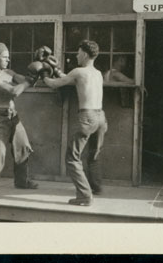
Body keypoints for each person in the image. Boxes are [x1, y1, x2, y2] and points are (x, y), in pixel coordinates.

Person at [43, 40, 107, 206]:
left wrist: (43, 72)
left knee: (72, 158)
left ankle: (85, 196)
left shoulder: (79, 71)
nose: (76, 55)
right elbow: (69, 79)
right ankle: (96, 187)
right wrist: (56, 69)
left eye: (78, 53)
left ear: (85, 54)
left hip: (87, 117)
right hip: (101, 118)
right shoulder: (97, 73)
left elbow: (54, 84)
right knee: (93, 155)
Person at [0, 43, 38, 200]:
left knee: (23, 147)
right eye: (5, 57)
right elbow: (13, 91)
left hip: (13, 116)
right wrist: (29, 81)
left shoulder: (8, 72)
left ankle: (22, 181)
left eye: (8, 57)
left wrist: (37, 71)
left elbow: (23, 79)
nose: (8, 60)